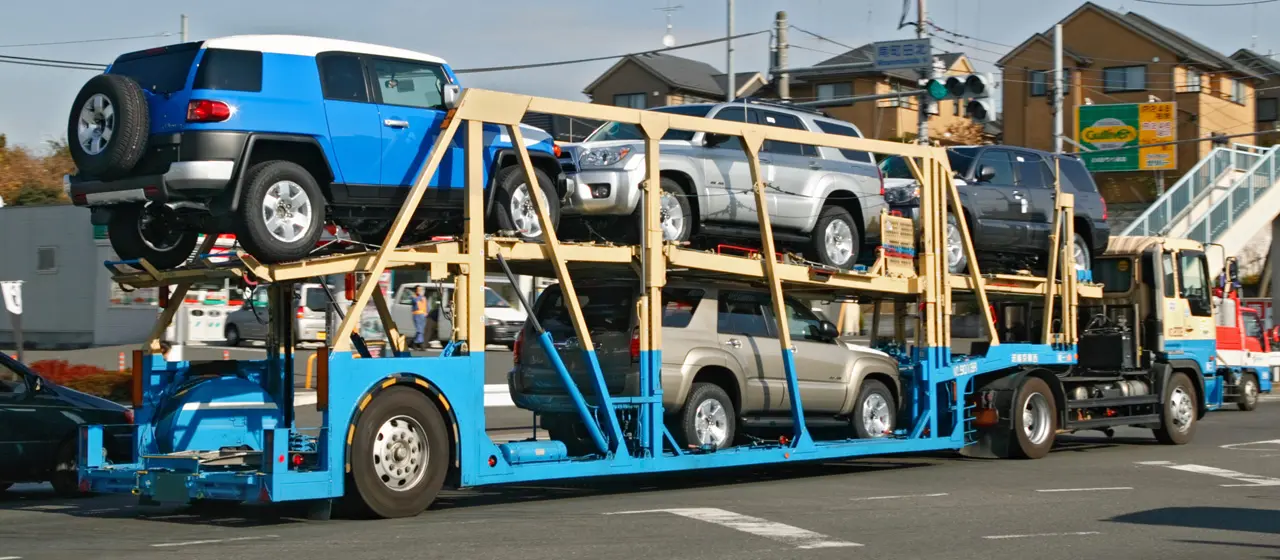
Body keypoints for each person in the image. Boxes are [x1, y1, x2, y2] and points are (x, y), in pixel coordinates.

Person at [411, 286, 429, 350]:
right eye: (420, 290)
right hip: (417, 315)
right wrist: (419, 296)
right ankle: (420, 344)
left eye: (422, 290)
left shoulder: (424, 298)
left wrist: (427, 312)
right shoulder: (414, 297)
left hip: (423, 316)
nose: (421, 291)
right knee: (419, 330)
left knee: (421, 330)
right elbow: (415, 301)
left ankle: (416, 343)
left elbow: (427, 306)